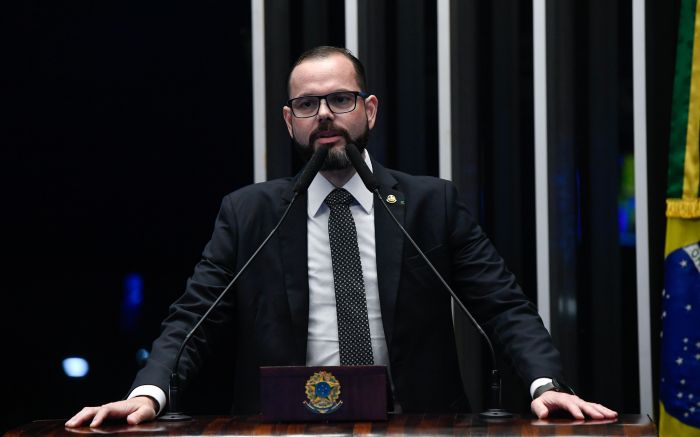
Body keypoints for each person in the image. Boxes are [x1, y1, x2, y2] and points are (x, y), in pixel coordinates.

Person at [66, 46, 617, 427]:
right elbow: (192, 319)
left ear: (369, 109)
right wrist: (148, 394)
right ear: (289, 121)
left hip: (420, 425)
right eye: (307, 104)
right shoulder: (250, 213)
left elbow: (503, 308)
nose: (325, 114)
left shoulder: (429, 205)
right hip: (281, 427)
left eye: (341, 100)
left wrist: (546, 385)